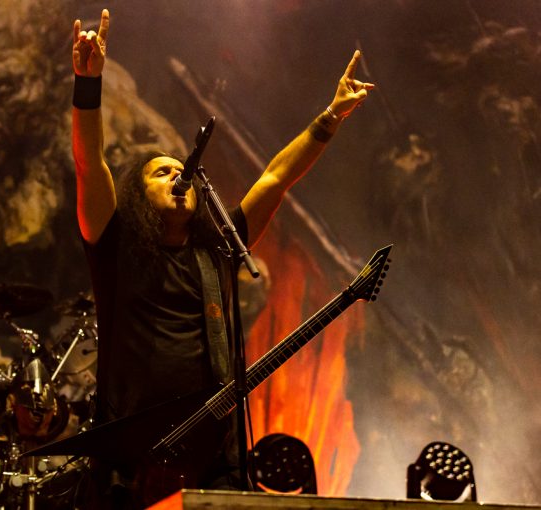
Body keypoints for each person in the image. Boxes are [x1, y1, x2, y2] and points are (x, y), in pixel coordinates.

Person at [71, 8, 374, 508]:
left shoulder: (218, 250)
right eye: (161, 172)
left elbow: (276, 177)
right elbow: (88, 164)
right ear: (137, 197)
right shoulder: (114, 247)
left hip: (211, 456)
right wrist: (88, 82)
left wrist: (331, 117)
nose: (178, 175)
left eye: (181, 170)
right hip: (132, 462)